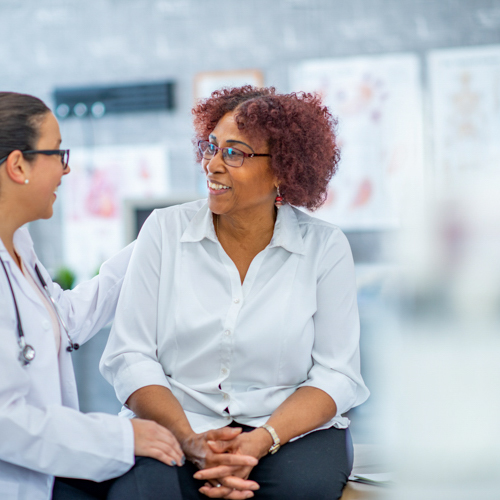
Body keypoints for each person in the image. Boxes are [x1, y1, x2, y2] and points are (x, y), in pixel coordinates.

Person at [100, 86, 370, 500]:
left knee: (302, 489)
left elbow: (337, 373)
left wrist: (260, 441)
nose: (212, 164)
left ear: (283, 169)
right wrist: (191, 441)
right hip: (177, 421)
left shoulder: (325, 247)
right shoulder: (163, 230)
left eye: (235, 153)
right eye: (212, 147)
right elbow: (130, 355)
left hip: (285, 430)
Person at [0, 92, 190, 500]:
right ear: (18, 165)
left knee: (154, 473)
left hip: (43, 465)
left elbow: (62, 318)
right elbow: (6, 422)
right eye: (57, 153)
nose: (66, 170)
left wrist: (158, 238)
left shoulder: (18, 243)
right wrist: (121, 438)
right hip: (16, 476)